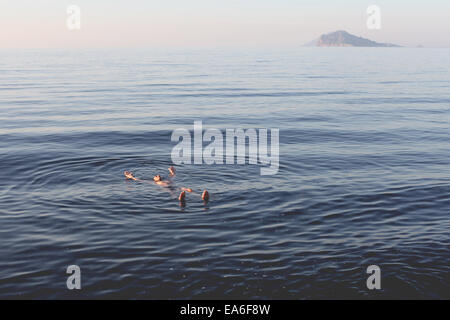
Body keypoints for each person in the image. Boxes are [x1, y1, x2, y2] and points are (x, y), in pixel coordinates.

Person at [124, 166, 209, 204]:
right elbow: (140, 180)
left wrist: (172, 172)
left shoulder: (167, 179)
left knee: (188, 189)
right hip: (167, 188)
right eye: (156, 176)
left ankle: (200, 196)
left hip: (175, 186)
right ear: (154, 179)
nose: (158, 175)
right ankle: (179, 198)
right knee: (173, 193)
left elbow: (173, 176)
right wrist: (131, 176)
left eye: (158, 175)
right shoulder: (153, 182)